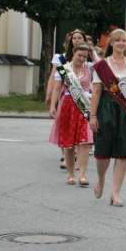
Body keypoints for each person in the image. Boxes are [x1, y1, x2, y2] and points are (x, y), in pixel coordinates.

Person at [89, 29, 126, 207]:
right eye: (118, 40)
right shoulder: (102, 65)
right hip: (106, 111)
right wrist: (93, 116)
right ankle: (101, 179)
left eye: (124, 40)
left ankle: (115, 193)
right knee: (103, 154)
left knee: (123, 154)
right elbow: (96, 92)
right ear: (111, 43)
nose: (122, 43)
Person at [49, 43, 94, 186]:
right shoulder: (64, 69)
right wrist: (53, 105)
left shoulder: (89, 68)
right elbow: (57, 89)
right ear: (73, 53)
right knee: (69, 144)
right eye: (79, 55)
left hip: (84, 105)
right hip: (67, 106)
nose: (82, 58)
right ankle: (70, 174)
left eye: (85, 56)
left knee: (85, 141)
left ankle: (83, 175)